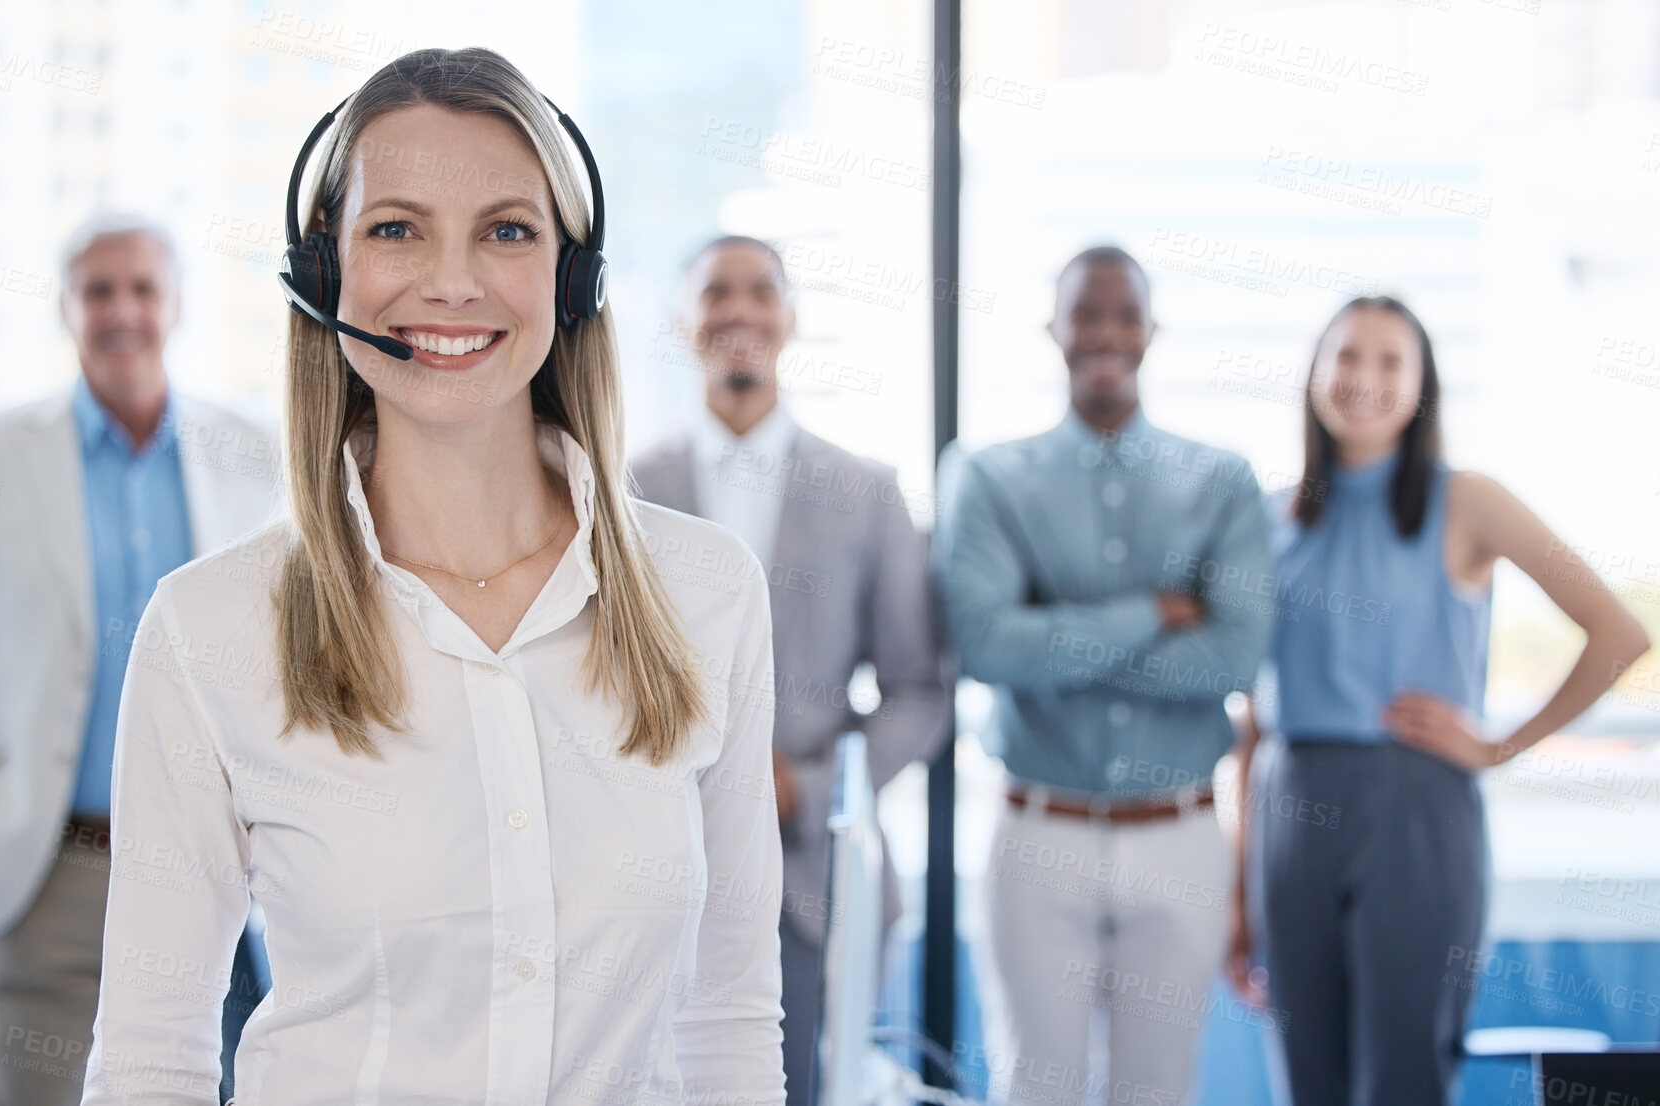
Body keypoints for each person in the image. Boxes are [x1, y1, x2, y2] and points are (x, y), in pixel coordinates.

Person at [79, 48, 785, 1105]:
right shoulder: (210, 625)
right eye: (395, 227)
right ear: (324, 275)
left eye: (507, 229)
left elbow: (727, 1020)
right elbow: (150, 1061)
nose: (451, 281)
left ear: (572, 275)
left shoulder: (708, 594)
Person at [0, 213, 281, 1106]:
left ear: (175, 305)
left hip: (214, 873)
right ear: (66, 306)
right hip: (46, 875)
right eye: (99, 290)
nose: (122, 311)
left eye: (143, 288)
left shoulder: (255, 451)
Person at [1226, 295, 1650, 1106]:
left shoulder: (1467, 502)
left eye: (1392, 361)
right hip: (1290, 809)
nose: (1365, 379)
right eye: (1347, 356)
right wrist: (1235, 896)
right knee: (1305, 1079)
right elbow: (1253, 723)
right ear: (1315, 374)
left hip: (1414, 811)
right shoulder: (1272, 517)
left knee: (1406, 1075)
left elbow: (1616, 633)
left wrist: (1500, 745)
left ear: (1422, 385)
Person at [935, 246, 1273, 1106]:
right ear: (1053, 326)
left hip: (1180, 836)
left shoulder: (1223, 480)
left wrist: (1057, 636)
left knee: (1157, 1091)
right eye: (1085, 313)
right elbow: (986, 647)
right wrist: (1151, 614)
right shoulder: (988, 475)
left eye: (1125, 315)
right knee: (1034, 1087)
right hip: (1037, 831)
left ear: (1152, 330)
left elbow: (1231, 659)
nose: (1105, 334)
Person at [631, 235, 952, 1105]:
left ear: (789, 318)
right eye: (716, 292)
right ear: (681, 321)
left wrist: (806, 789)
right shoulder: (623, 485)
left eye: (759, 292)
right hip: (649, 862)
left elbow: (920, 691)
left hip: (809, 875)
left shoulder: (868, 491)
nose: (738, 310)